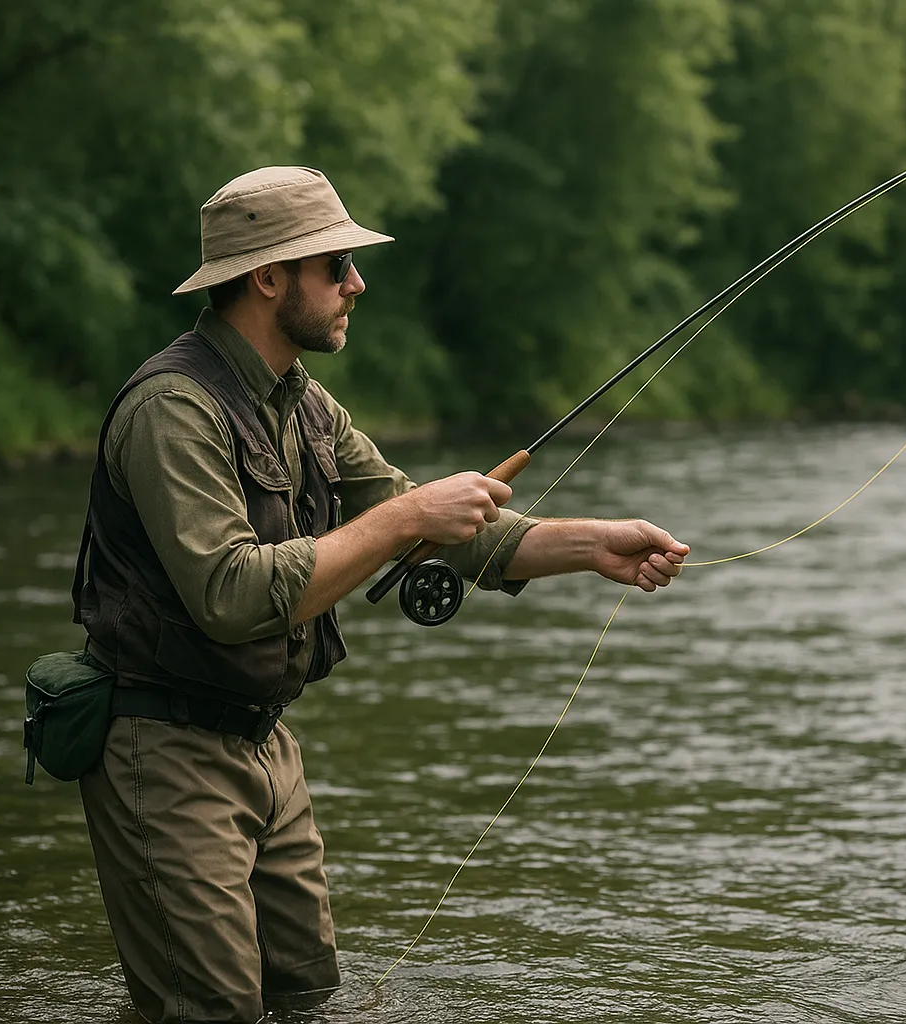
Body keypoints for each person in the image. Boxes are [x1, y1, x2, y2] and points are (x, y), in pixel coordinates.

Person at [72, 165, 689, 1024]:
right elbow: (233, 596)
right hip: (164, 750)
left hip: (265, 744)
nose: (357, 285)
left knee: (306, 1000)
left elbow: (444, 528)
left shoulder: (306, 406)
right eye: (338, 266)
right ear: (268, 278)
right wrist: (403, 520)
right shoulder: (174, 411)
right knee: (211, 1010)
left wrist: (592, 546)